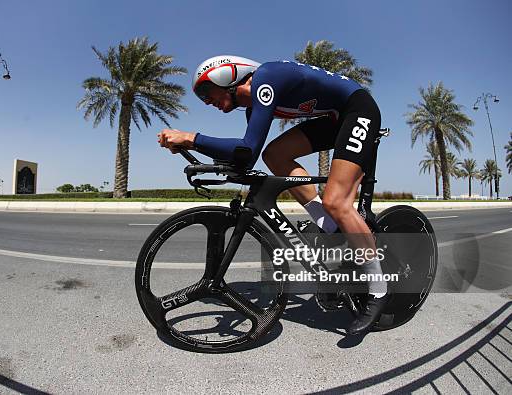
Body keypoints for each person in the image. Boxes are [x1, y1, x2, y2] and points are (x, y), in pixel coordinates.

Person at [158, 55, 387, 335]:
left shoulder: (265, 80)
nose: (207, 102)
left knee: (336, 200)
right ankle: (331, 225)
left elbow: (246, 148)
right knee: (274, 154)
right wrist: (196, 152)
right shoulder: (252, 108)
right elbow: (246, 157)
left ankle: (378, 289)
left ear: (227, 77)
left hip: (357, 110)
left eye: (207, 92)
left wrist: (191, 138)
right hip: (335, 119)